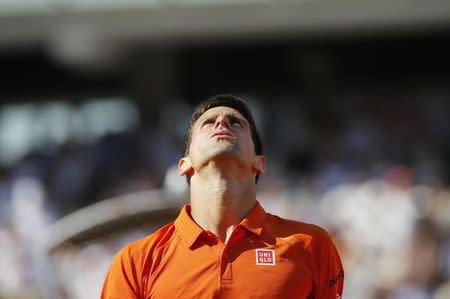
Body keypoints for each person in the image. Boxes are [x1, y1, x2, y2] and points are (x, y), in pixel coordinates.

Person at [100, 94, 344, 298]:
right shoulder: (135, 261)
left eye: (236, 122)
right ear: (184, 164)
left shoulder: (312, 245)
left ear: (259, 163)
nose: (222, 124)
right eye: (209, 122)